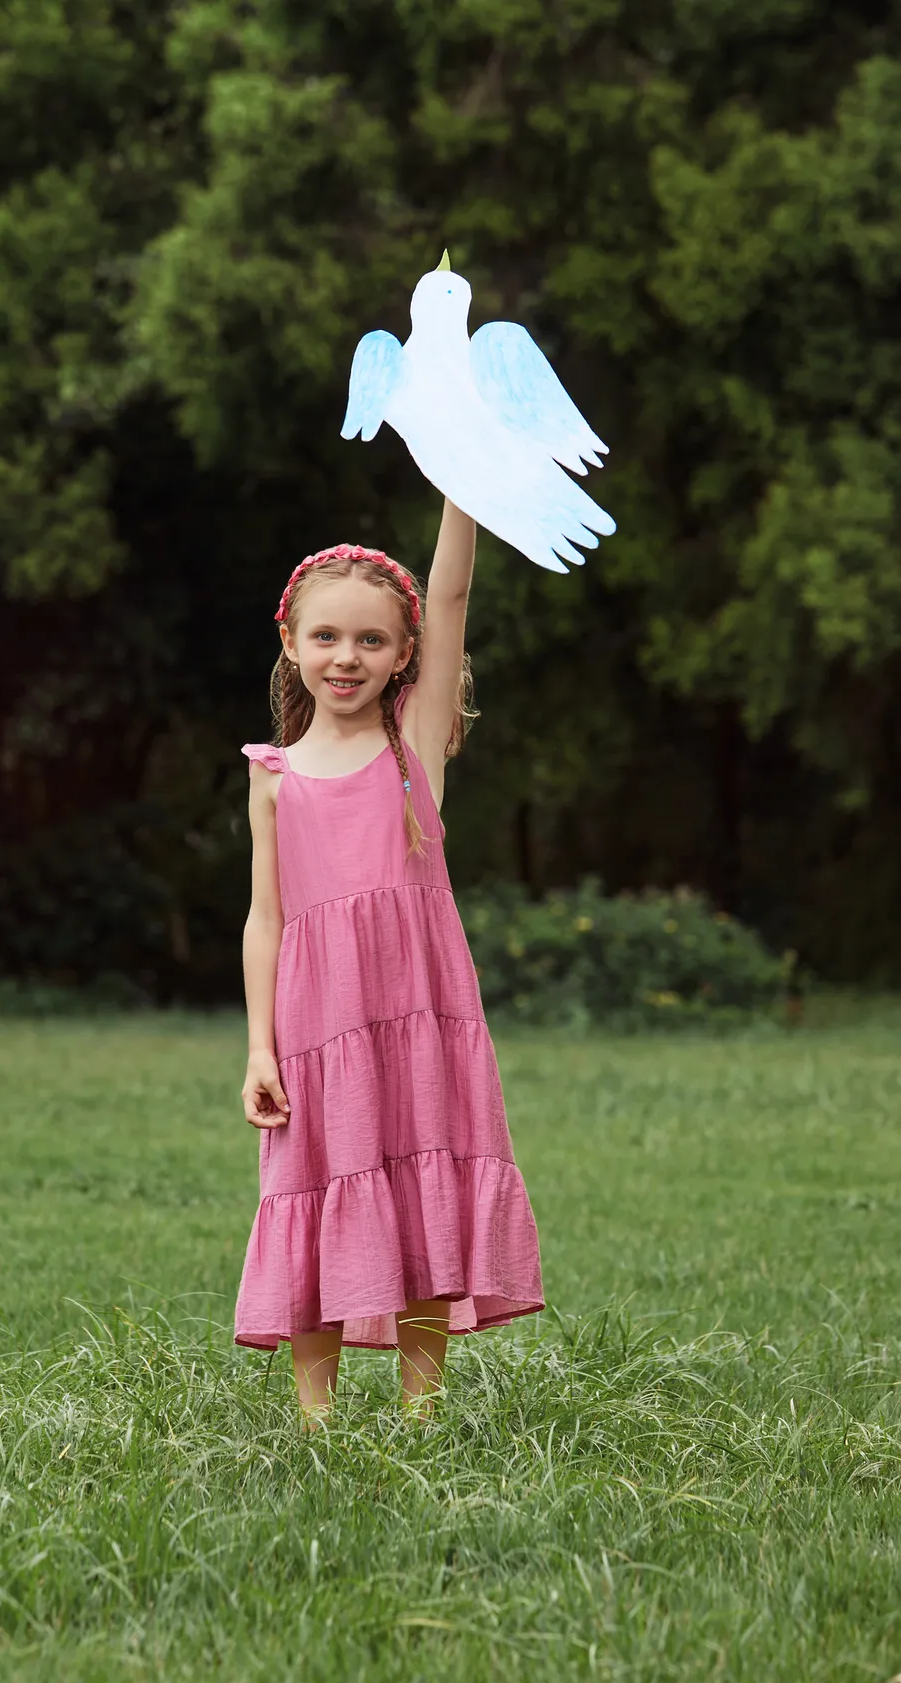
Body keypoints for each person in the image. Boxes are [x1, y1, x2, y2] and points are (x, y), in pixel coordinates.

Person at [238, 498, 544, 1421]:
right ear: (290, 642)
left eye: (371, 640)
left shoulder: (414, 751)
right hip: (314, 1024)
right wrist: (260, 1047)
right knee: (314, 1190)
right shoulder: (272, 775)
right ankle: (315, 1419)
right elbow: (266, 917)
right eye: (325, 636)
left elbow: (448, 593)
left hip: (417, 1010)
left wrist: (462, 483)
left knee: (421, 1191)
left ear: (404, 653)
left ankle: (420, 1412)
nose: (346, 657)